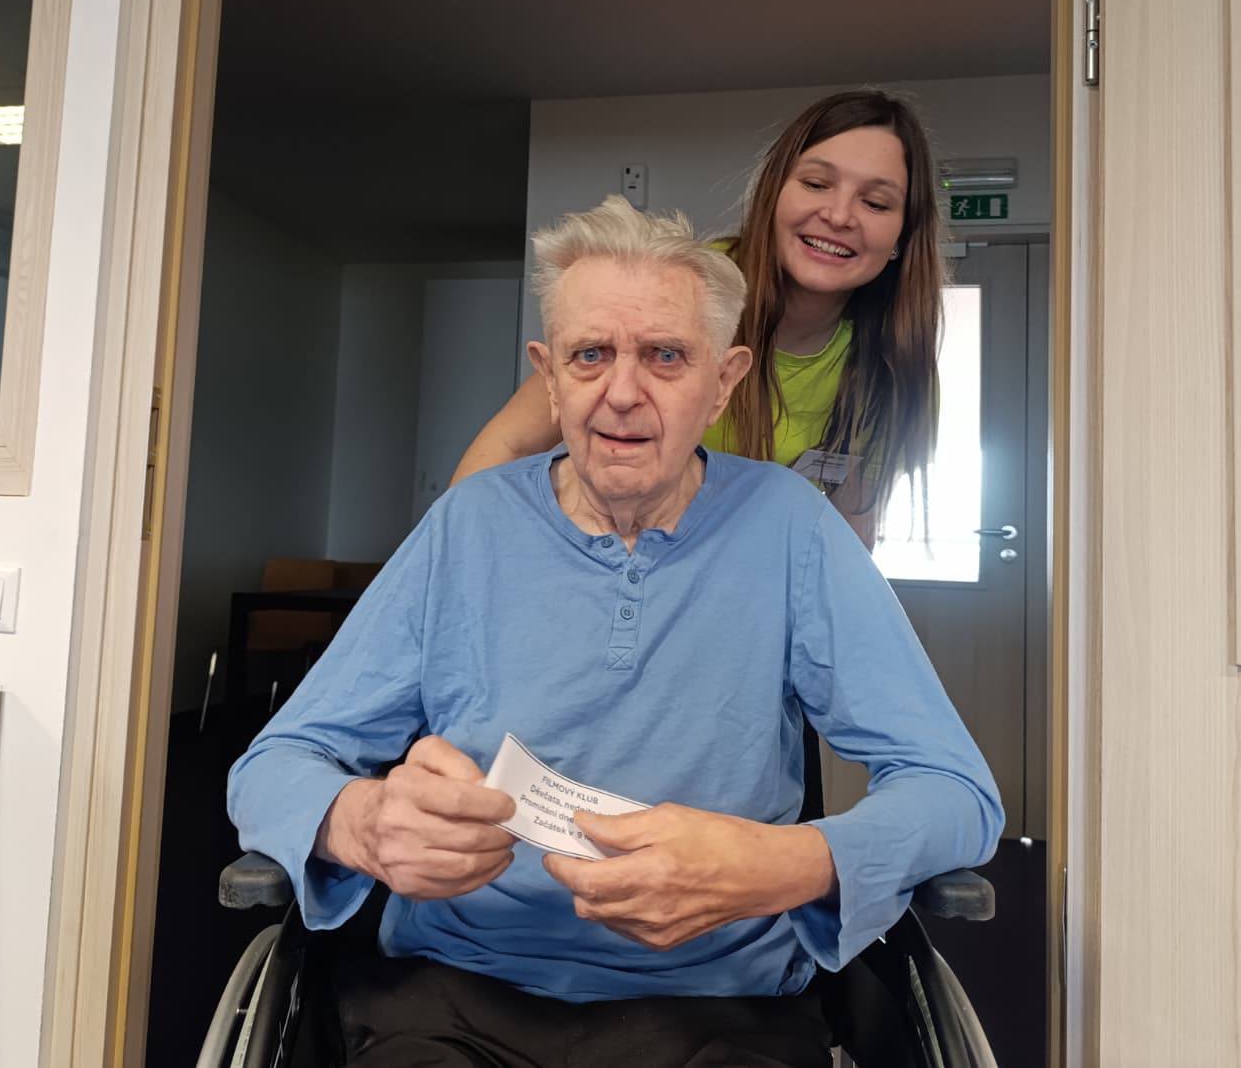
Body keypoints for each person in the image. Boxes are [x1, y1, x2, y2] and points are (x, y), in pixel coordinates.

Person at [227, 197, 1001, 1067]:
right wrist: (360, 821)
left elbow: (956, 794)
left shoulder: (794, 529)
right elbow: (272, 767)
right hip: (454, 993)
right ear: (550, 377)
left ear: (724, 381)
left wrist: (784, 864)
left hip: (721, 1003)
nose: (623, 393)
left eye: (665, 356)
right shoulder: (467, 526)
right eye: (590, 354)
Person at [450, 88, 944, 547]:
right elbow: (510, 445)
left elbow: (848, 534)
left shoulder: (893, 365)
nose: (838, 216)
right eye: (816, 183)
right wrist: (467, 572)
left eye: (875, 202)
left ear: (902, 235)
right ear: (774, 192)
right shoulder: (679, 289)